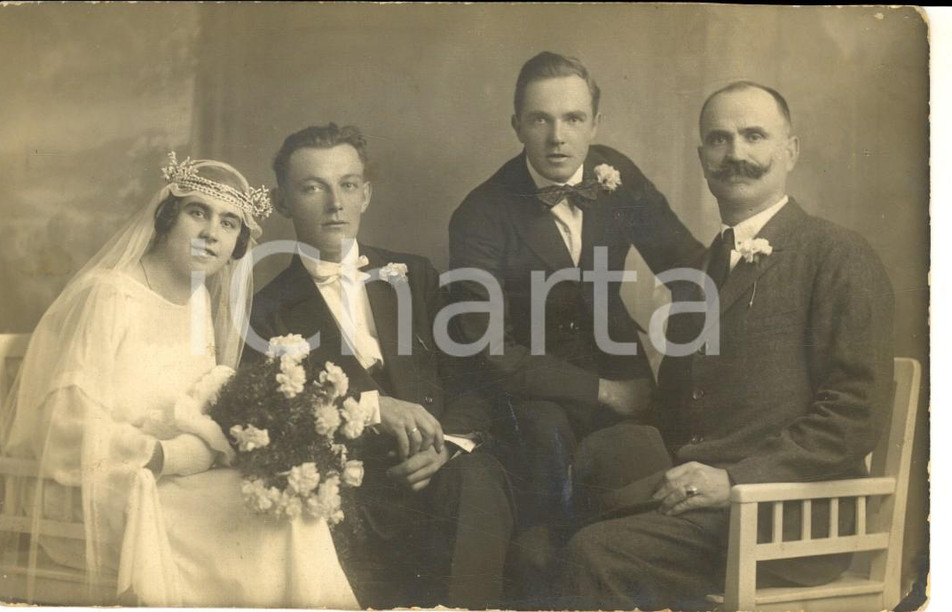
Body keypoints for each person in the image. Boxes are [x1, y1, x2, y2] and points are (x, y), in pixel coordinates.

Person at [564, 81, 895, 610]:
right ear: (703, 160)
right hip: (703, 507)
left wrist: (736, 479)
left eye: (754, 136)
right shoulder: (698, 271)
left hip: (789, 517)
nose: (735, 153)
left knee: (595, 553)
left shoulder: (837, 255)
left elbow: (855, 414)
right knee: (538, 545)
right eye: (719, 140)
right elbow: (677, 408)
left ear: (790, 150)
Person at [0, 153, 357, 607]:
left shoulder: (200, 301)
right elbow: (62, 427)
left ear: (237, 244)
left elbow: (196, 402)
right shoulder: (109, 296)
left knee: (285, 506)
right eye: (197, 213)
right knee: (264, 524)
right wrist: (167, 455)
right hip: (93, 488)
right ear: (166, 219)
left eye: (228, 223)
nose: (211, 233)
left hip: (172, 480)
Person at [447, 50, 704, 595]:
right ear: (517, 124)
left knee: (663, 481)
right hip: (535, 394)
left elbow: (687, 267)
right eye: (540, 119)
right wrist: (605, 391)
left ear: (596, 124)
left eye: (573, 119)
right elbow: (492, 350)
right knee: (548, 534)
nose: (557, 137)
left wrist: (684, 362)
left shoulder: (617, 175)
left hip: (625, 372)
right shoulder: (481, 214)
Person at [246, 123, 514, 610]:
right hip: (356, 498)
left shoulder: (415, 276)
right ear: (283, 201)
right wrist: (370, 407)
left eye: (348, 185)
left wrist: (448, 447)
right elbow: (273, 425)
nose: (336, 204)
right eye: (313, 188)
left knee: (476, 478)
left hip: (443, 477)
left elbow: (472, 381)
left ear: (365, 195)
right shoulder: (266, 312)